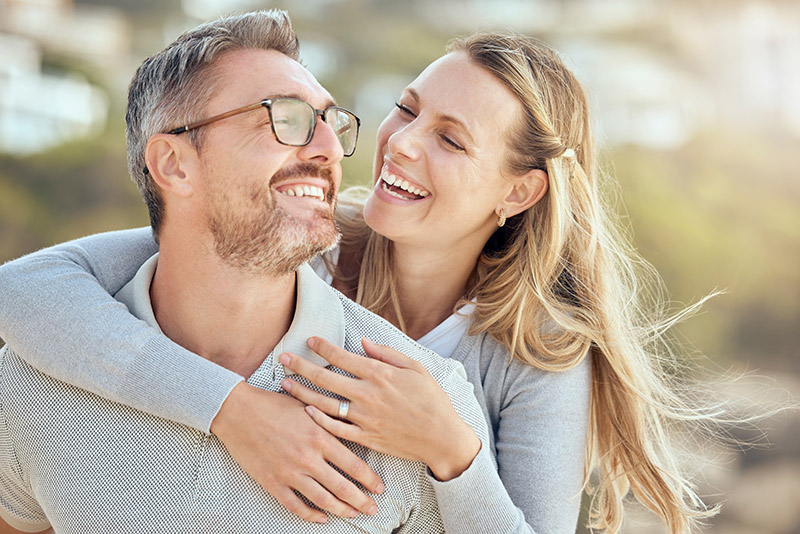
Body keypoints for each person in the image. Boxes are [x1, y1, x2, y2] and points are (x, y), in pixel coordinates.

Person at [0, 19, 720, 534]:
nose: (399, 143)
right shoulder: (301, 234)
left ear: (517, 193)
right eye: (406, 110)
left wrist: (453, 453)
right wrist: (234, 410)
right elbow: (27, 293)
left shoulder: (536, 352)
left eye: (449, 138)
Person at [0, 10, 502, 534]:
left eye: (332, 123)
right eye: (285, 117)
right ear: (173, 164)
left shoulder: (418, 413)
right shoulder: (33, 379)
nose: (330, 149)